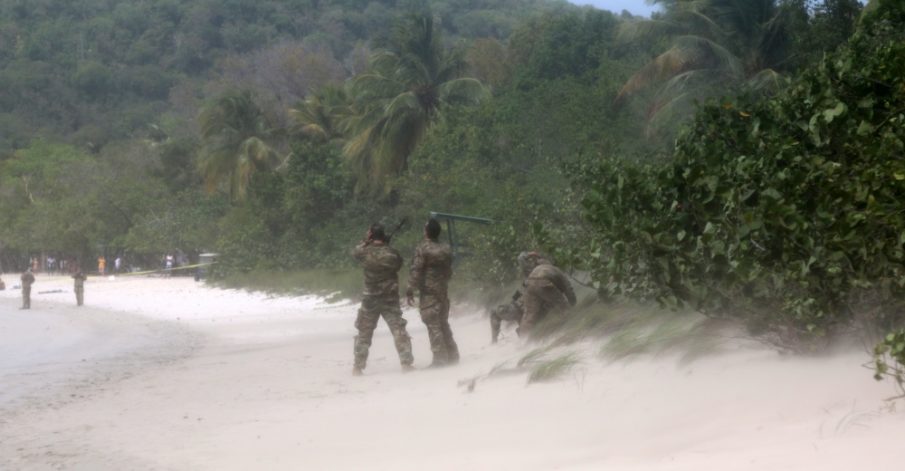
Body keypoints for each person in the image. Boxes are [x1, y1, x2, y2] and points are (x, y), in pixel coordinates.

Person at [351, 223, 414, 376]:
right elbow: (398, 264)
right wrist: (386, 245)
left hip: (370, 298)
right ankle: (406, 363)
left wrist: (366, 241)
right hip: (389, 298)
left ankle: (358, 367)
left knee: (364, 332)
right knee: (398, 330)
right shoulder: (392, 254)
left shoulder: (364, 252)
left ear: (371, 236)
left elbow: (355, 252)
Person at [406, 218, 459, 367]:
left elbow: (416, 270)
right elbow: (449, 271)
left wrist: (410, 288)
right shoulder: (446, 248)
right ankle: (453, 355)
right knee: (443, 323)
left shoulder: (423, 248)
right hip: (442, 291)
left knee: (433, 325)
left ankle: (440, 359)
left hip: (429, 293)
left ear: (427, 232)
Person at [517, 252, 577, 335]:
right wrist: (573, 303)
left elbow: (521, 260)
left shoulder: (535, 269)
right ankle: (572, 328)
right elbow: (568, 288)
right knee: (564, 307)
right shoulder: (555, 269)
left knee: (529, 315)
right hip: (543, 283)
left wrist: (531, 254)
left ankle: (523, 338)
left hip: (529, 284)